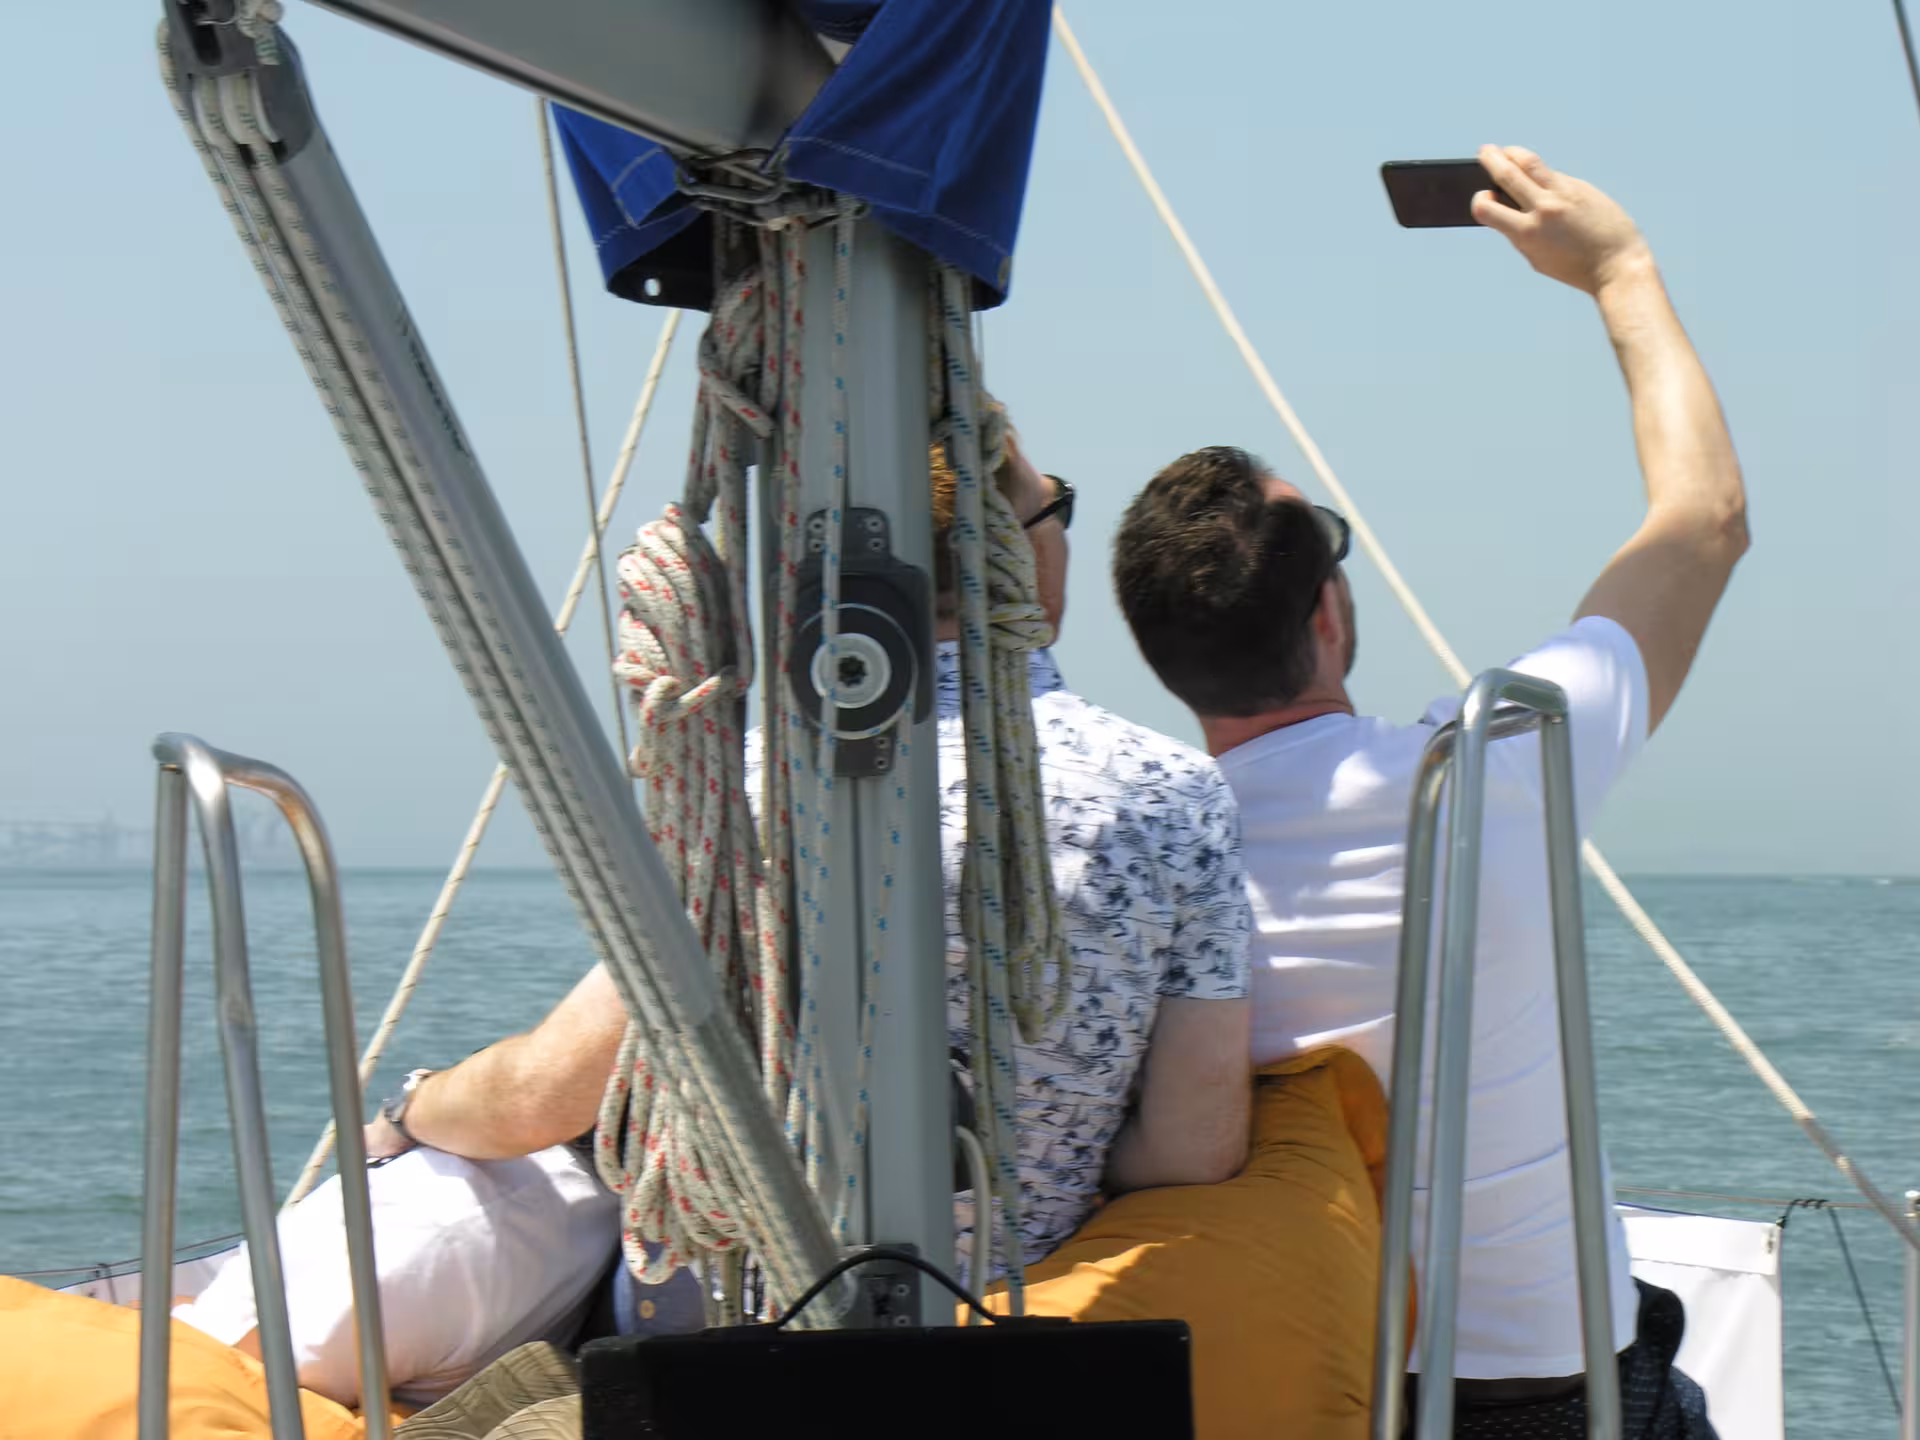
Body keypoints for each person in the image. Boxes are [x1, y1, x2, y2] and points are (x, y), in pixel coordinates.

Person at [1111, 145, 1747, 1438]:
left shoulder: (1134, 862)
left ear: (1168, 659)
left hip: (1311, 1395)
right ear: (1332, 613)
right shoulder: (1500, 772)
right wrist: (1620, 270)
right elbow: (1704, 519)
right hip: (1556, 1403)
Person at [365, 415, 1256, 1282]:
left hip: (769, 1315)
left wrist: (414, 1107)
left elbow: (546, 1096)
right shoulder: (1174, 794)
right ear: (1023, 553)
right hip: (1031, 1307)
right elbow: (1194, 1149)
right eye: (1054, 507)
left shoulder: (741, 793)